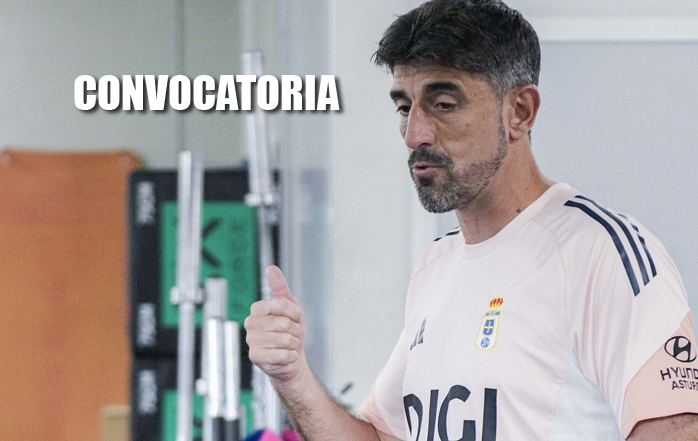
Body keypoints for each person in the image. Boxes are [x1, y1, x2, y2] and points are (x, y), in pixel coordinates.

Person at [244, 0, 698, 439]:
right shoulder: (436, 266)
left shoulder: (601, 252)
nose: (415, 135)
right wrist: (292, 376)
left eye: (444, 104)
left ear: (519, 112)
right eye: (404, 107)